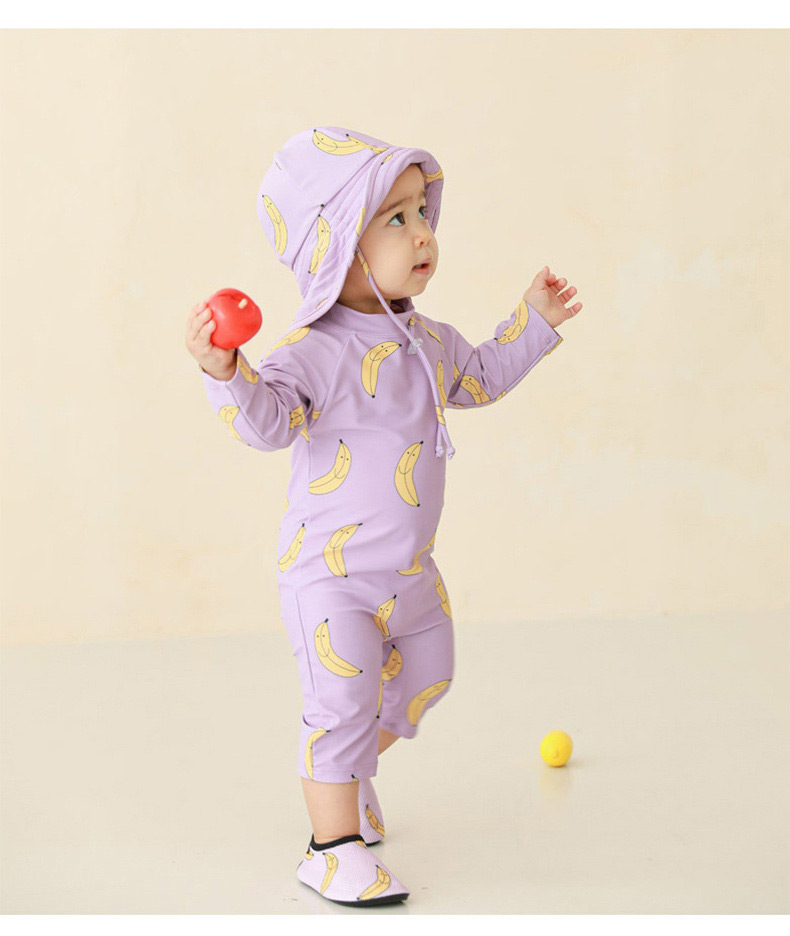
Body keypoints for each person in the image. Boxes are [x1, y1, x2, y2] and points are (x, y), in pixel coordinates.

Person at [184, 126, 582, 907]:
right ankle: (330, 847)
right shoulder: (311, 352)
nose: (423, 232)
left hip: (409, 574)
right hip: (331, 578)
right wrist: (227, 370)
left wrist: (533, 320)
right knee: (338, 709)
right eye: (395, 219)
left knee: (428, 677)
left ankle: (353, 770)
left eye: (422, 212)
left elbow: (481, 376)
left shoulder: (426, 340)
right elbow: (267, 424)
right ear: (335, 246)